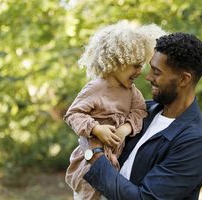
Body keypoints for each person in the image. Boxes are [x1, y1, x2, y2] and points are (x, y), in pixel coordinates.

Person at [83, 32, 202, 200]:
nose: (148, 77)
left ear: (183, 79)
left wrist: (93, 155)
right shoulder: (142, 111)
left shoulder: (195, 142)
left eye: (157, 72)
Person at [63, 21, 165, 200]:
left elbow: (140, 111)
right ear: (116, 61)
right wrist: (96, 129)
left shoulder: (132, 92)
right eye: (135, 65)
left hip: (115, 162)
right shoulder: (95, 89)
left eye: (141, 65)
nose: (140, 71)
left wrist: (125, 128)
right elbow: (73, 114)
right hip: (88, 163)